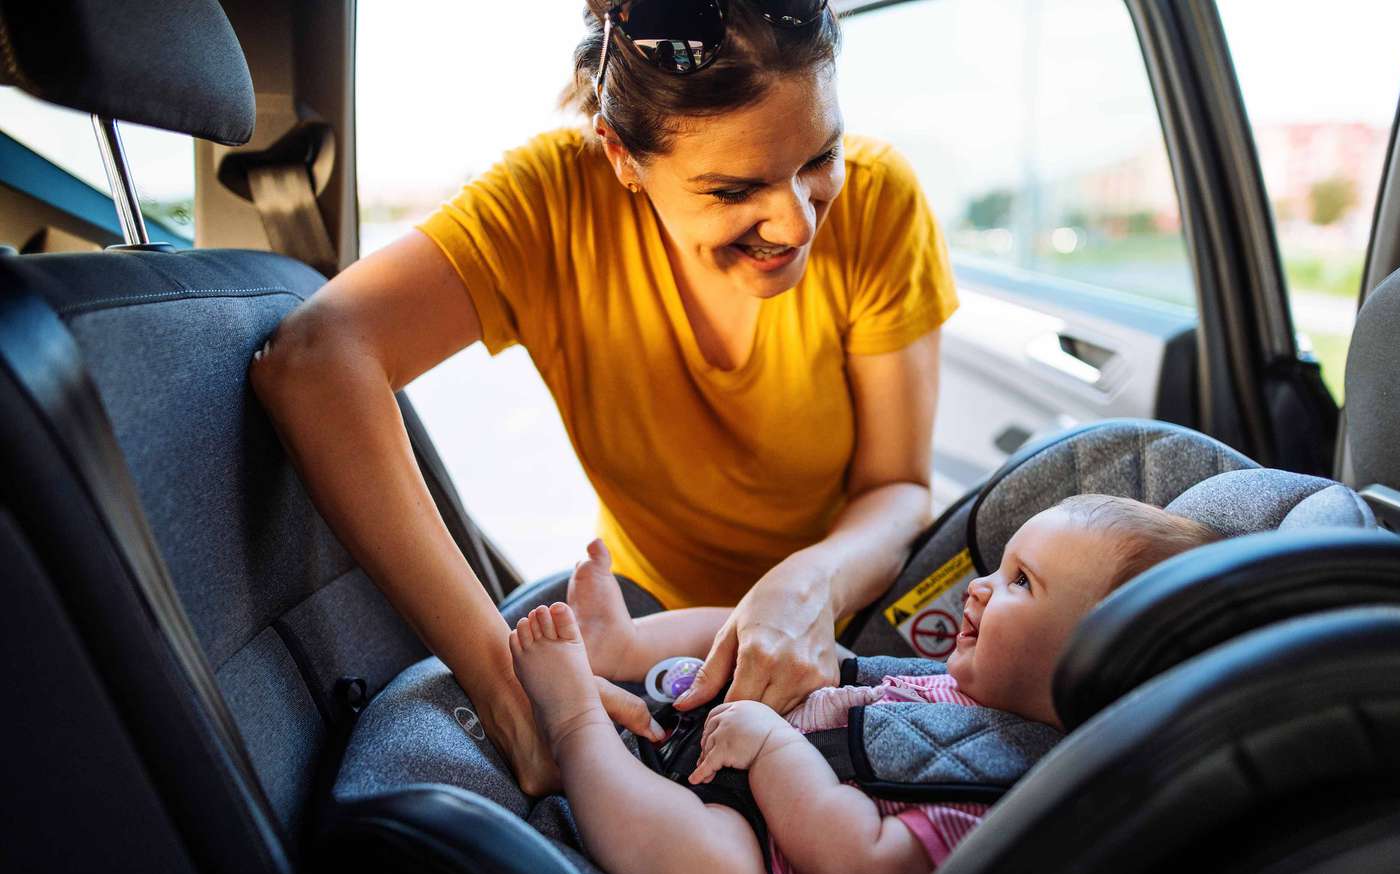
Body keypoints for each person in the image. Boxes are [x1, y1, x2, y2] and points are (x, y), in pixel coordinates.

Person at [250, 0, 957, 795]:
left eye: (818, 159)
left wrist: (811, 584)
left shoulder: (882, 200)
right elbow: (313, 361)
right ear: (622, 155)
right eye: (734, 190)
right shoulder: (550, 206)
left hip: (846, 608)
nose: (795, 223)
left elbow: (896, 489)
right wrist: (508, 692)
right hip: (653, 630)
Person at [509, 495, 1223, 874]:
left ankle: (572, 723)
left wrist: (772, 748)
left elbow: (863, 865)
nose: (979, 586)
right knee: (792, 637)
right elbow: (852, 688)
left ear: (1088, 667)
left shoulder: (1012, 800)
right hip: (741, 739)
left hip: (765, 861)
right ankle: (623, 647)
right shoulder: (966, 690)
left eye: (1019, 584)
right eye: (1001, 567)